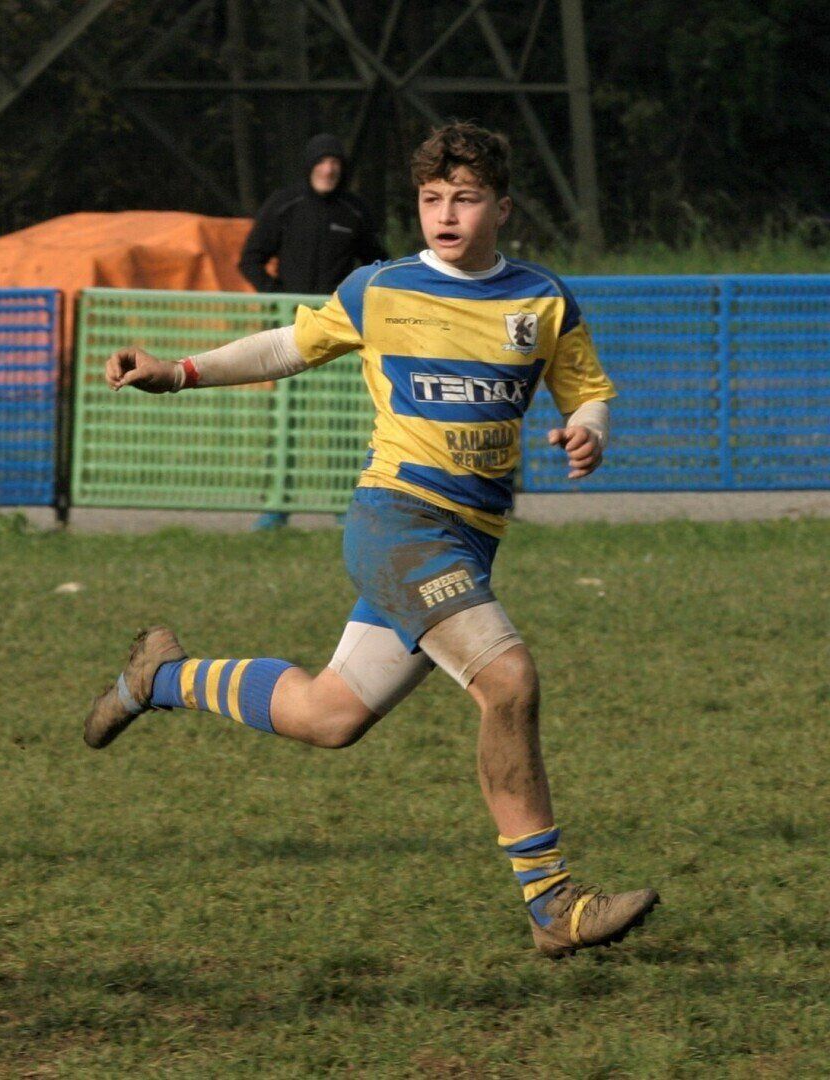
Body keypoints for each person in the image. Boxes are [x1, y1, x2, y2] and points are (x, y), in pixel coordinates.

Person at [85, 122, 658, 959]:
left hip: (469, 542)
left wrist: (590, 430)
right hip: (399, 521)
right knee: (508, 679)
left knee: (329, 715)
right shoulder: (378, 288)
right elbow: (288, 344)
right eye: (432, 200)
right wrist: (179, 371)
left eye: (465, 198)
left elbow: (587, 391)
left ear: (502, 206)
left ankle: (160, 676)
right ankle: (553, 904)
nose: (447, 215)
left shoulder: (544, 299)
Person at [239, 132, 388, 529]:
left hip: (339, 333)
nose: (328, 170)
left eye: (335, 164)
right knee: (285, 418)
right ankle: (276, 504)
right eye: (322, 163)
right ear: (310, 167)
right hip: (289, 331)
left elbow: (379, 265)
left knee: (339, 419)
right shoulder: (284, 204)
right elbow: (251, 259)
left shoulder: (354, 212)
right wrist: (278, 297)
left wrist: (357, 300)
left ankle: (341, 503)